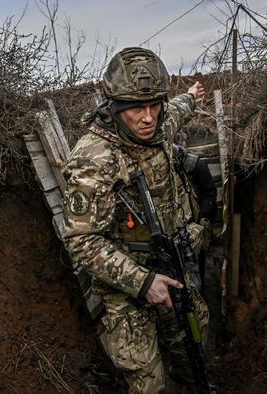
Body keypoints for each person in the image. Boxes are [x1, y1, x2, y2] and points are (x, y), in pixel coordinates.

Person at [61, 47, 212, 393]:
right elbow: (81, 241)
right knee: (148, 382)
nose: (147, 118)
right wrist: (144, 282)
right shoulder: (94, 160)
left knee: (193, 346)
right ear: (115, 108)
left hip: (173, 266)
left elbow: (176, 110)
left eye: (153, 106)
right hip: (126, 284)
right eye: (135, 109)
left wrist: (191, 96)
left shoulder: (159, 123)